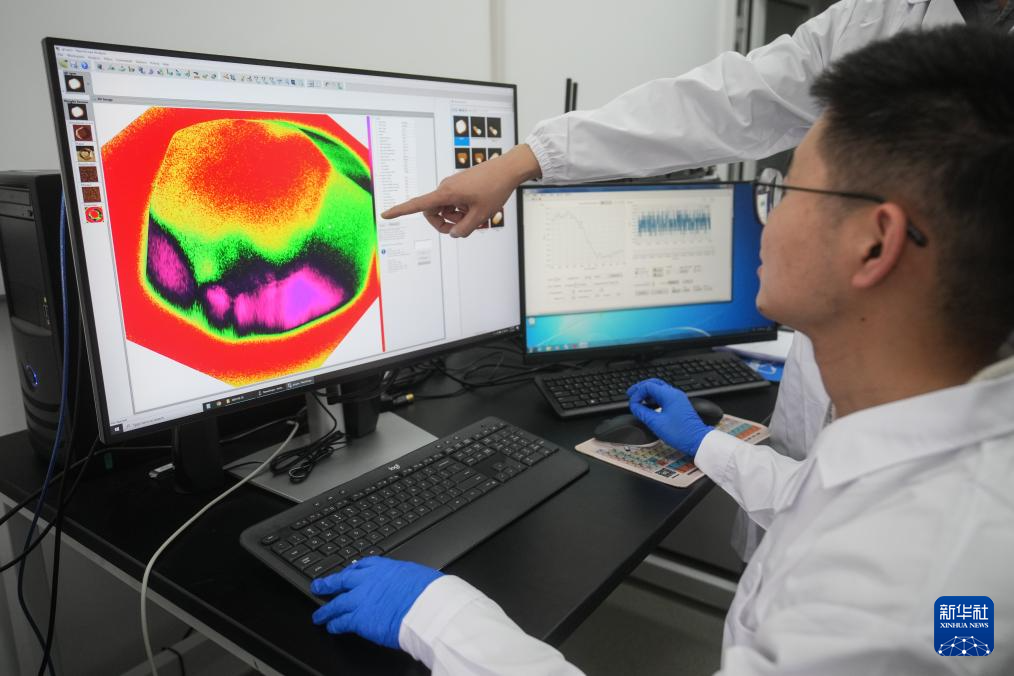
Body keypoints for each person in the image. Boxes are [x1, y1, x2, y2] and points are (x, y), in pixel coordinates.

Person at [311, 26, 1014, 674]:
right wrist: (709, 445)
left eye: (785, 189)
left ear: (873, 242)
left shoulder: (909, 599)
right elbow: (825, 501)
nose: (763, 213)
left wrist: (442, 619)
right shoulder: (935, 473)